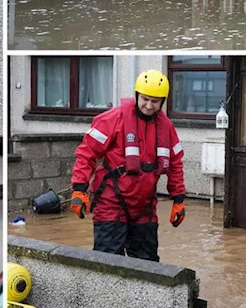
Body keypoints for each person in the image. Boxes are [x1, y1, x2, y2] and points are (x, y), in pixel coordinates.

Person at [69, 69, 186, 262]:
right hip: (111, 202)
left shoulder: (167, 128)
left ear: (162, 102)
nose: (148, 106)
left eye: (155, 102)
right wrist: (79, 189)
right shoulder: (113, 119)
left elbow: (175, 165)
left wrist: (179, 200)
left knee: (148, 266)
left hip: (144, 207)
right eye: (145, 99)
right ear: (137, 95)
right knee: (108, 263)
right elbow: (87, 153)